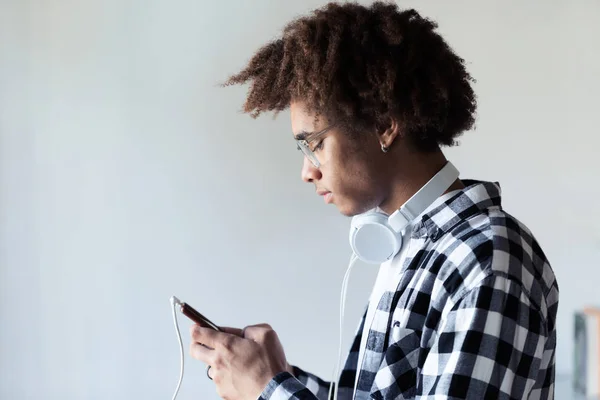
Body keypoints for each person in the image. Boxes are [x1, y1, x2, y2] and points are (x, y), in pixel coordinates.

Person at [188, 2, 559, 399]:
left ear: (384, 125)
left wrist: (268, 390)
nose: (307, 171)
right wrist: (275, 374)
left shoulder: (486, 260)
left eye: (314, 144)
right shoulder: (412, 249)